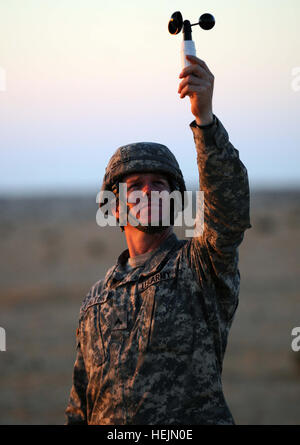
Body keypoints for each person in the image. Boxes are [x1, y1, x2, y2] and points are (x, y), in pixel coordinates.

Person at [65, 55, 251, 425]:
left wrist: (206, 120)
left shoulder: (200, 266)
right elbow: (79, 409)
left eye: (159, 185)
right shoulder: (94, 303)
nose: (148, 193)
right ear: (114, 208)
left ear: (175, 200)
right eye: (134, 187)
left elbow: (226, 211)